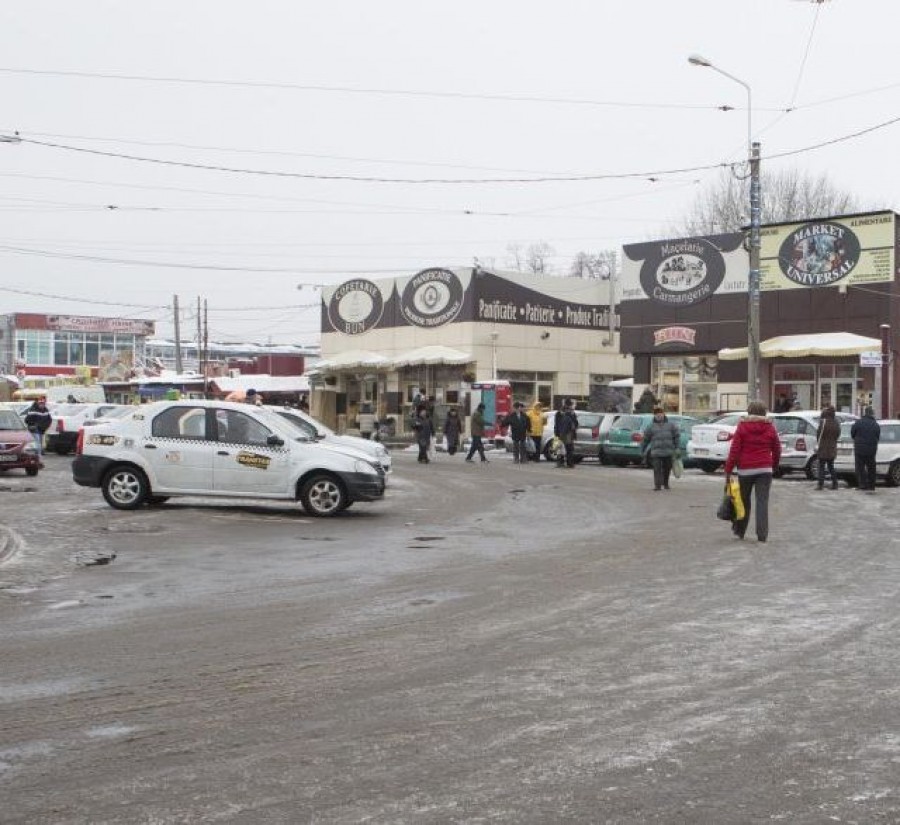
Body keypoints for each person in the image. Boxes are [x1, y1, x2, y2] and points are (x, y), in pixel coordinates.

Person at [725, 401, 781, 543]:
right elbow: (777, 449)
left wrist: (728, 469)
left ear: (749, 412)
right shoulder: (770, 427)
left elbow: (735, 449)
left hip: (745, 470)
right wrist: (773, 465)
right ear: (764, 412)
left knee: (743, 501)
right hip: (765, 469)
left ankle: (740, 531)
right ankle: (762, 535)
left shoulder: (742, 427)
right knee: (762, 502)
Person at [643, 407, 680, 491]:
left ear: (663, 414)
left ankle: (666, 483)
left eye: (660, 414)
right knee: (657, 469)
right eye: (657, 414)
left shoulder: (671, 425)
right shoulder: (650, 426)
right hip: (656, 452)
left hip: (668, 451)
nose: (659, 416)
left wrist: (677, 447)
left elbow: (676, 436)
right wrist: (643, 449)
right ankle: (657, 485)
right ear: (654, 416)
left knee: (667, 468)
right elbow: (646, 439)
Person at [850, 406, 880, 491]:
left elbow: (852, 434)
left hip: (859, 449)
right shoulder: (875, 424)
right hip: (871, 449)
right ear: (872, 414)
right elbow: (878, 436)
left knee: (860, 467)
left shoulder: (858, 423)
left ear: (865, 413)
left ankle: (862, 484)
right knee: (871, 467)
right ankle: (871, 485)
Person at [815, 405, 841, 490]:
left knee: (821, 466)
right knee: (831, 466)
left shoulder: (823, 422)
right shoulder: (836, 423)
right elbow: (838, 435)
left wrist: (820, 442)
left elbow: (818, 434)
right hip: (832, 448)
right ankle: (835, 483)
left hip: (823, 447)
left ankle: (820, 485)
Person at [554, 399, 578, 468]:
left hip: (563, 433)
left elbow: (556, 424)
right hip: (566, 434)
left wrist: (556, 433)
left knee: (561, 448)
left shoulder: (562, 413)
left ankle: (562, 462)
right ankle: (568, 463)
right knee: (567, 448)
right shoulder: (567, 413)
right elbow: (575, 424)